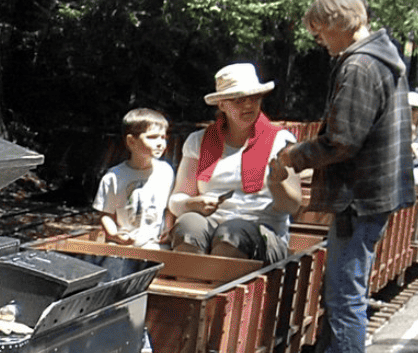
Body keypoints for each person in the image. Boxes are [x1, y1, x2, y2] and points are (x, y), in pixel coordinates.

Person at [270, 0, 412, 353]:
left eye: (318, 33)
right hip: (370, 193)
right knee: (341, 298)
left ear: (336, 23)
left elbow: (343, 141)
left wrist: (294, 156)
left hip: (360, 197)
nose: (320, 43)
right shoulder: (379, 57)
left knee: (345, 300)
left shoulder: (360, 65)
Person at [167, 64, 300, 262]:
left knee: (231, 235)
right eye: (238, 100)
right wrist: (190, 203)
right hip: (209, 225)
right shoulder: (198, 141)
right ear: (221, 104)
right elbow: (178, 199)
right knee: (188, 226)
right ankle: (190, 288)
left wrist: (276, 183)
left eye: (254, 98)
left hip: (263, 231)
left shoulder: (281, 141)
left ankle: (219, 291)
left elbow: (292, 206)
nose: (248, 105)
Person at [93, 108, 174, 247]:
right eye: (152, 137)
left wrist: (168, 228)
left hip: (154, 242)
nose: (161, 143)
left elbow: (169, 208)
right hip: (123, 242)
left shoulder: (165, 171)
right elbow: (106, 214)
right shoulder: (114, 176)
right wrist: (114, 234)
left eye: (163, 137)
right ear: (131, 141)